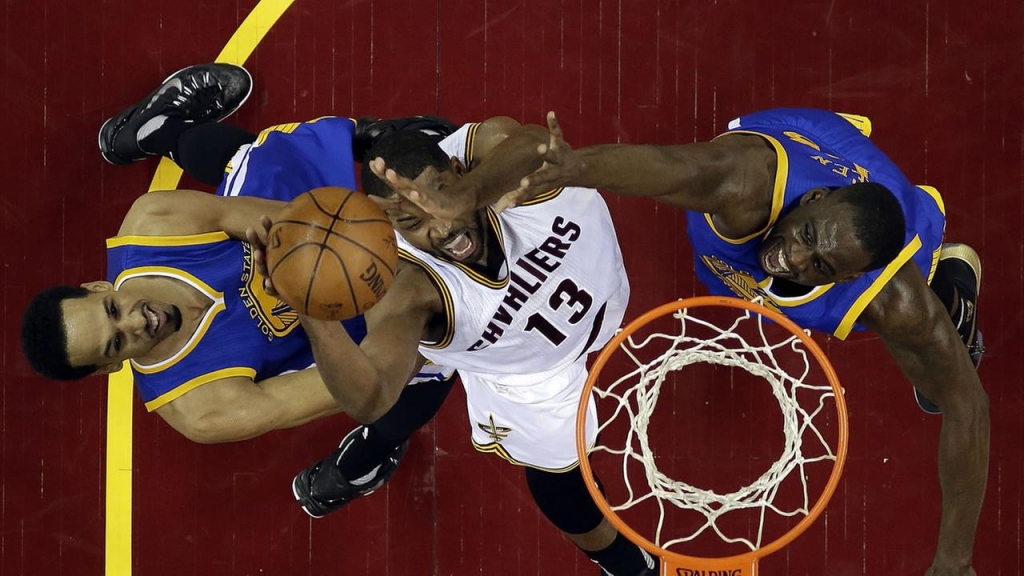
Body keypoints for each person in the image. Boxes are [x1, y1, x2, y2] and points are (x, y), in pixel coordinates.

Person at [445, 109, 985, 576]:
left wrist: (954, 560)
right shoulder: (743, 184)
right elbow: (669, 166)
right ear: (813, 199)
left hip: (877, 246)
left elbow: (969, 407)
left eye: (818, 265)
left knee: (937, 378)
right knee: (746, 216)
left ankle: (951, 279)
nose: (792, 260)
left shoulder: (889, 298)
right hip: (809, 139)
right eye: (805, 236)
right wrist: (576, 167)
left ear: (847, 278)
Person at [19, 61, 459, 518]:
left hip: (311, 239)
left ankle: (159, 131)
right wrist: (440, 296)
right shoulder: (203, 407)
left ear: (97, 285)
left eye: (112, 309)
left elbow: (302, 219)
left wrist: (392, 191)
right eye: (117, 341)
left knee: (255, 159)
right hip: (338, 343)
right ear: (108, 368)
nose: (138, 321)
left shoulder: (155, 226)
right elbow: (360, 383)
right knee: (411, 379)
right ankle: (366, 460)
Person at [253, 119, 658, 575]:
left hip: (606, 294)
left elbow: (534, 142)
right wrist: (314, 316)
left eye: (439, 196)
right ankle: (627, 566)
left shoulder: (492, 161)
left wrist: (467, 197)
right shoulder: (408, 287)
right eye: (411, 221)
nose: (441, 226)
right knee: (559, 479)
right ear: (388, 223)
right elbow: (370, 395)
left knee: (431, 375)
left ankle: (379, 440)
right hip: (528, 376)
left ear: (454, 168)